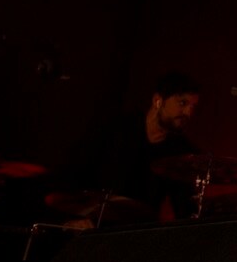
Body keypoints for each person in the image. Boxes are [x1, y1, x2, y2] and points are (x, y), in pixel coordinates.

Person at [75, 71, 202, 224]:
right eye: (182, 103)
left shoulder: (180, 150)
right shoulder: (116, 129)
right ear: (158, 101)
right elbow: (77, 172)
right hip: (92, 222)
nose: (188, 112)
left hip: (137, 231)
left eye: (193, 107)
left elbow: (184, 206)